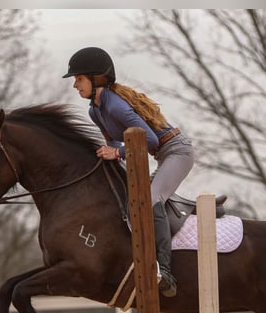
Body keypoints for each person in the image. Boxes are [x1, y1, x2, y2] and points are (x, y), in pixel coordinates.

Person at [63, 46, 194, 297]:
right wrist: (107, 156)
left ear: (96, 78)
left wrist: (118, 153)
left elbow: (151, 141)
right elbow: (113, 144)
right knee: (134, 204)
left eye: (79, 79)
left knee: (151, 199)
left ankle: (165, 270)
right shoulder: (95, 110)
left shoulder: (114, 106)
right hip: (162, 155)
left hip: (178, 152)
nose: (75, 85)